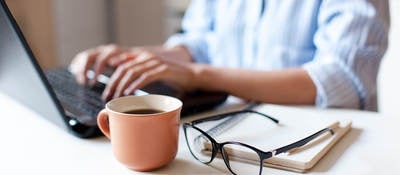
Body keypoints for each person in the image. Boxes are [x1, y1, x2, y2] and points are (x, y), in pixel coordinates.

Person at [70, 0, 390, 111]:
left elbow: (342, 81)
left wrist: (201, 75)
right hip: (231, 133)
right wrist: (136, 58)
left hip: (312, 145)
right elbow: (202, 44)